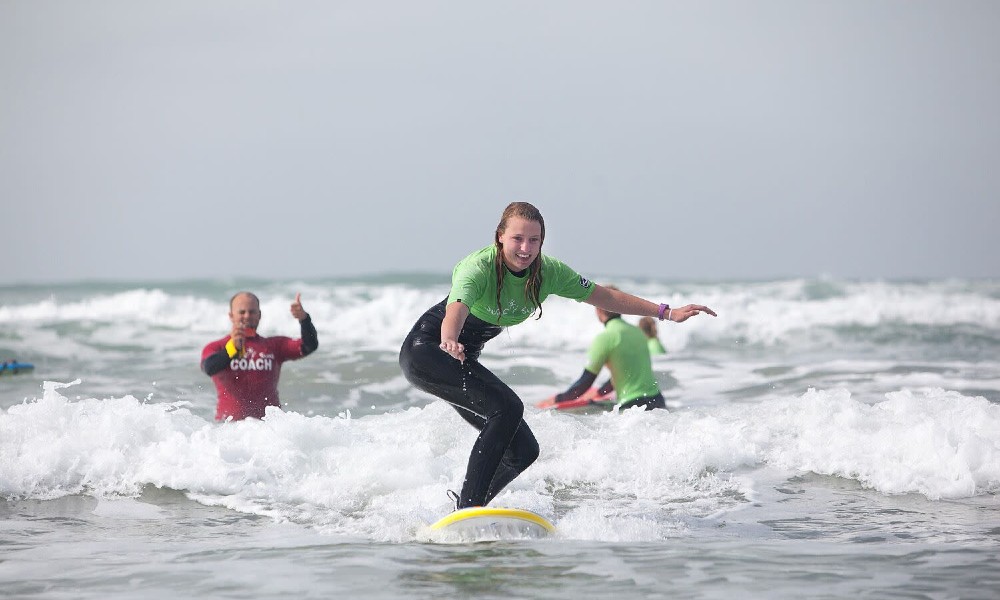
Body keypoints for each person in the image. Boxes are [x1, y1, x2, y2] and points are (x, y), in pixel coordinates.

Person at [398, 202, 716, 510]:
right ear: (499, 237)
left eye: (533, 240)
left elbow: (605, 296)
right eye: (517, 239)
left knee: (523, 451)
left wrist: (667, 312)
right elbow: (458, 306)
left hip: (459, 359)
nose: (525, 248)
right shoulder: (479, 267)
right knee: (507, 409)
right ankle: (469, 507)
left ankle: (466, 511)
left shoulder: (548, 273)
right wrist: (449, 339)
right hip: (428, 351)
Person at [201, 291, 318, 421]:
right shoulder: (217, 346)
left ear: (259, 315)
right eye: (242, 312)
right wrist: (232, 349)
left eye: (252, 312)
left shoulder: (274, 346)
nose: (247, 316)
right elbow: (209, 367)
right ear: (231, 315)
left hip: (268, 430)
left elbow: (309, 346)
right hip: (229, 429)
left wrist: (304, 319)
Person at [554, 287, 666, 411]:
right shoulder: (638, 332)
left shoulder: (606, 338)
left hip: (634, 407)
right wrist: (601, 393)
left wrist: (559, 399)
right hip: (658, 401)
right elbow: (624, 373)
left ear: (598, 308)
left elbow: (585, 382)